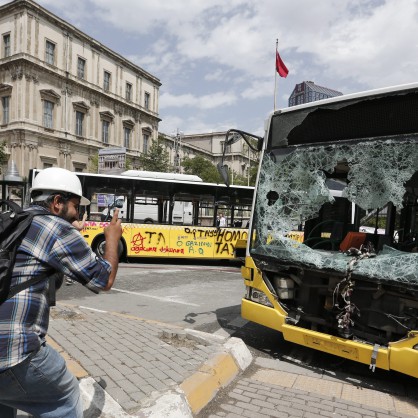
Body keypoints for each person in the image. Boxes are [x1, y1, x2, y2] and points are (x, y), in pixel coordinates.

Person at [0, 167, 122, 418]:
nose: (78, 214)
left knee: (6, 396)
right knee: (65, 396)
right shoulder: (56, 228)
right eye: (76, 206)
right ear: (57, 202)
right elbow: (103, 280)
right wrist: (111, 239)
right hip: (12, 351)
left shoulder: (12, 220)